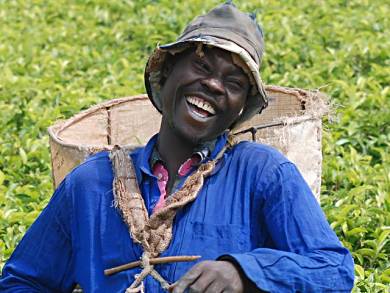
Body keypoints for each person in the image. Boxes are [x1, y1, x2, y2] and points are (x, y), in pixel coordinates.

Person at [0, 2, 354, 292]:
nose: (214, 85)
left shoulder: (263, 174)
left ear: (240, 108)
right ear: (167, 71)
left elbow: (333, 270)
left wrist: (243, 273)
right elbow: (21, 281)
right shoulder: (89, 184)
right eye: (201, 65)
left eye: (233, 83)